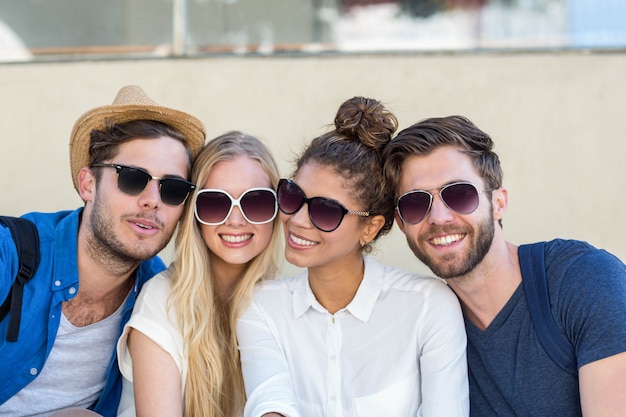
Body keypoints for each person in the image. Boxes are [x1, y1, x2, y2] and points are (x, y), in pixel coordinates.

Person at [237, 97, 469, 417]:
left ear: (370, 228)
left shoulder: (428, 306)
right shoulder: (261, 307)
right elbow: (270, 401)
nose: (299, 220)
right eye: (293, 196)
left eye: (325, 210)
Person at [382, 115, 626, 416]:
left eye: (459, 194)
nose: (439, 218)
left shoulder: (583, 280)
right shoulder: (429, 332)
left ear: (499, 203)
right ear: (402, 223)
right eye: (416, 203)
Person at [0, 85, 206, 417]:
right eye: (134, 179)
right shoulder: (10, 252)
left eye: (173, 188)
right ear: (88, 184)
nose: (152, 200)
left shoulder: (160, 297)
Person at [116, 131, 282, 417]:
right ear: (194, 213)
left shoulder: (281, 304)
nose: (236, 221)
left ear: (276, 211)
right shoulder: (162, 300)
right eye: (216, 203)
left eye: (255, 202)